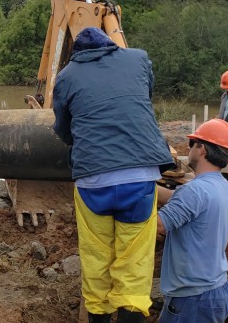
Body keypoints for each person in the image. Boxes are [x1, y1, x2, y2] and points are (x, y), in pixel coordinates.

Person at [52, 27, 175, 323]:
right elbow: (142, 98)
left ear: (76, 55)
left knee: (96, 258)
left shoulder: (68, 75)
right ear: (110, 46)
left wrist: (82, 139)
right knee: (134, 261)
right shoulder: (138, 59)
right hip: (139, 179)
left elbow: (62, 128)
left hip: (93, 183)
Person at [156, 119, 228, 322]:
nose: (189, 148)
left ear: (202, 149)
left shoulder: (194, 191)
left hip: (192, 298)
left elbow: (157, 225)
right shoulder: (222, 185)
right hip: (218, 289)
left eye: (192, 144)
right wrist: (145, 188)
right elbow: (178, 198)